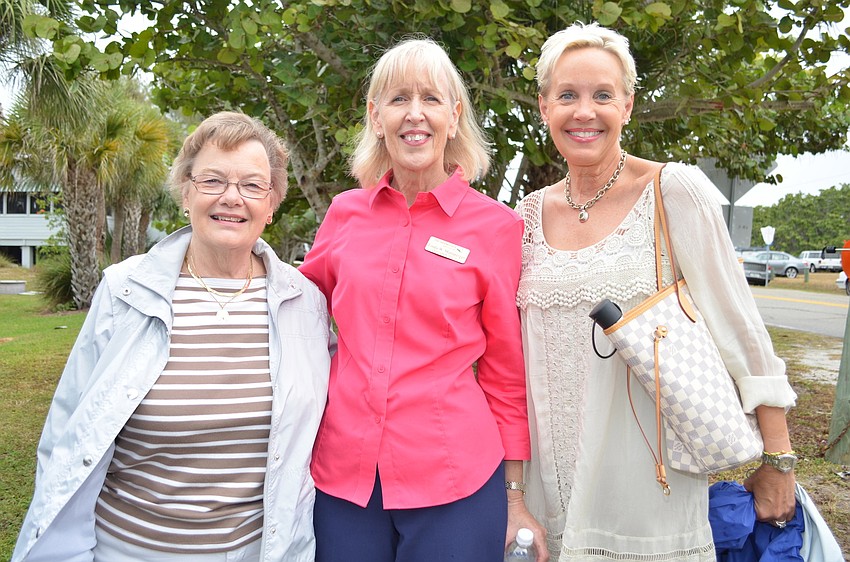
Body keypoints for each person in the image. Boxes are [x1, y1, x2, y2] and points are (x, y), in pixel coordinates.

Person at [515, 23, 798, 562]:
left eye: (603, 95)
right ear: (544, 106)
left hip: (649, 481)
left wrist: (779, 461)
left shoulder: (673, 192)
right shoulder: (525, 216)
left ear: (627, 105)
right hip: (544, 483)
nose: (584, 112)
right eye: (567, 95)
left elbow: (743, 333)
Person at [12, 111, 333, 562]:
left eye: (252, 185)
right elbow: (67, 433)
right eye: (213, 181)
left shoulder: (305, 303)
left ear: (272, 203)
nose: (232, 197)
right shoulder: (126, 290)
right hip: (126, 551)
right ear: (186, 192)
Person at [299, 37, 547, 562]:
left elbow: (505, 372)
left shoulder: (496, 228)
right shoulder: (344, 214)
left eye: (431, 99)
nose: (415, 114)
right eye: (398, 99)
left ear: (453, 117)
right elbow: (296, 312)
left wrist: (515, 497)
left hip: (454, 480)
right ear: (376, 116)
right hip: (343, 478)